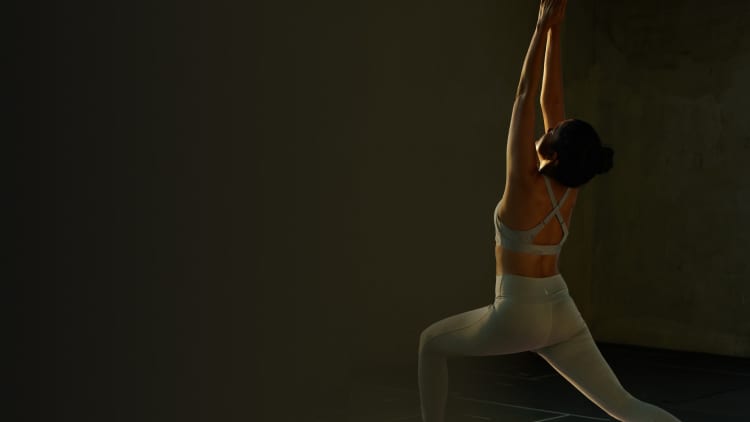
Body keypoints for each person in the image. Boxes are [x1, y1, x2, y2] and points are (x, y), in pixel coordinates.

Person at [417, 1, 682, 421]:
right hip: (560, 308)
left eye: (553, 131)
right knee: (626, 407)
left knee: (430, 343)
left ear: (553, 153)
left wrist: (539, 29)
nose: (549, 124)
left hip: (516, 312)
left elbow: (526, 96)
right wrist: (558, 28)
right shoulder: (569, 185)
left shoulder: (524, 183)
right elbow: (550, 99)